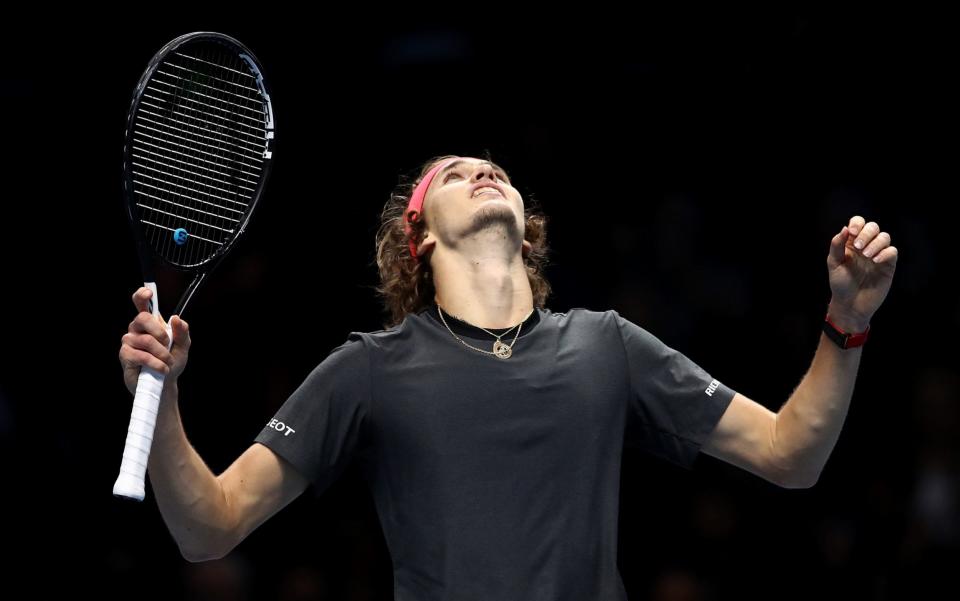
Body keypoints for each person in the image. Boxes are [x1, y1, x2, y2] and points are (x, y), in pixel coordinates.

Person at [118, 155, 898, 600]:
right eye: (455, 174)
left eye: (493, 167)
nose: (483, 169)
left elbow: (791, 453)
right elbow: (208, 526)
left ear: (528, 233)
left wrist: (847, 320)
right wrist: (164, 396)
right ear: (417, 238)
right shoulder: (369, 367)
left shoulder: (606, 344)